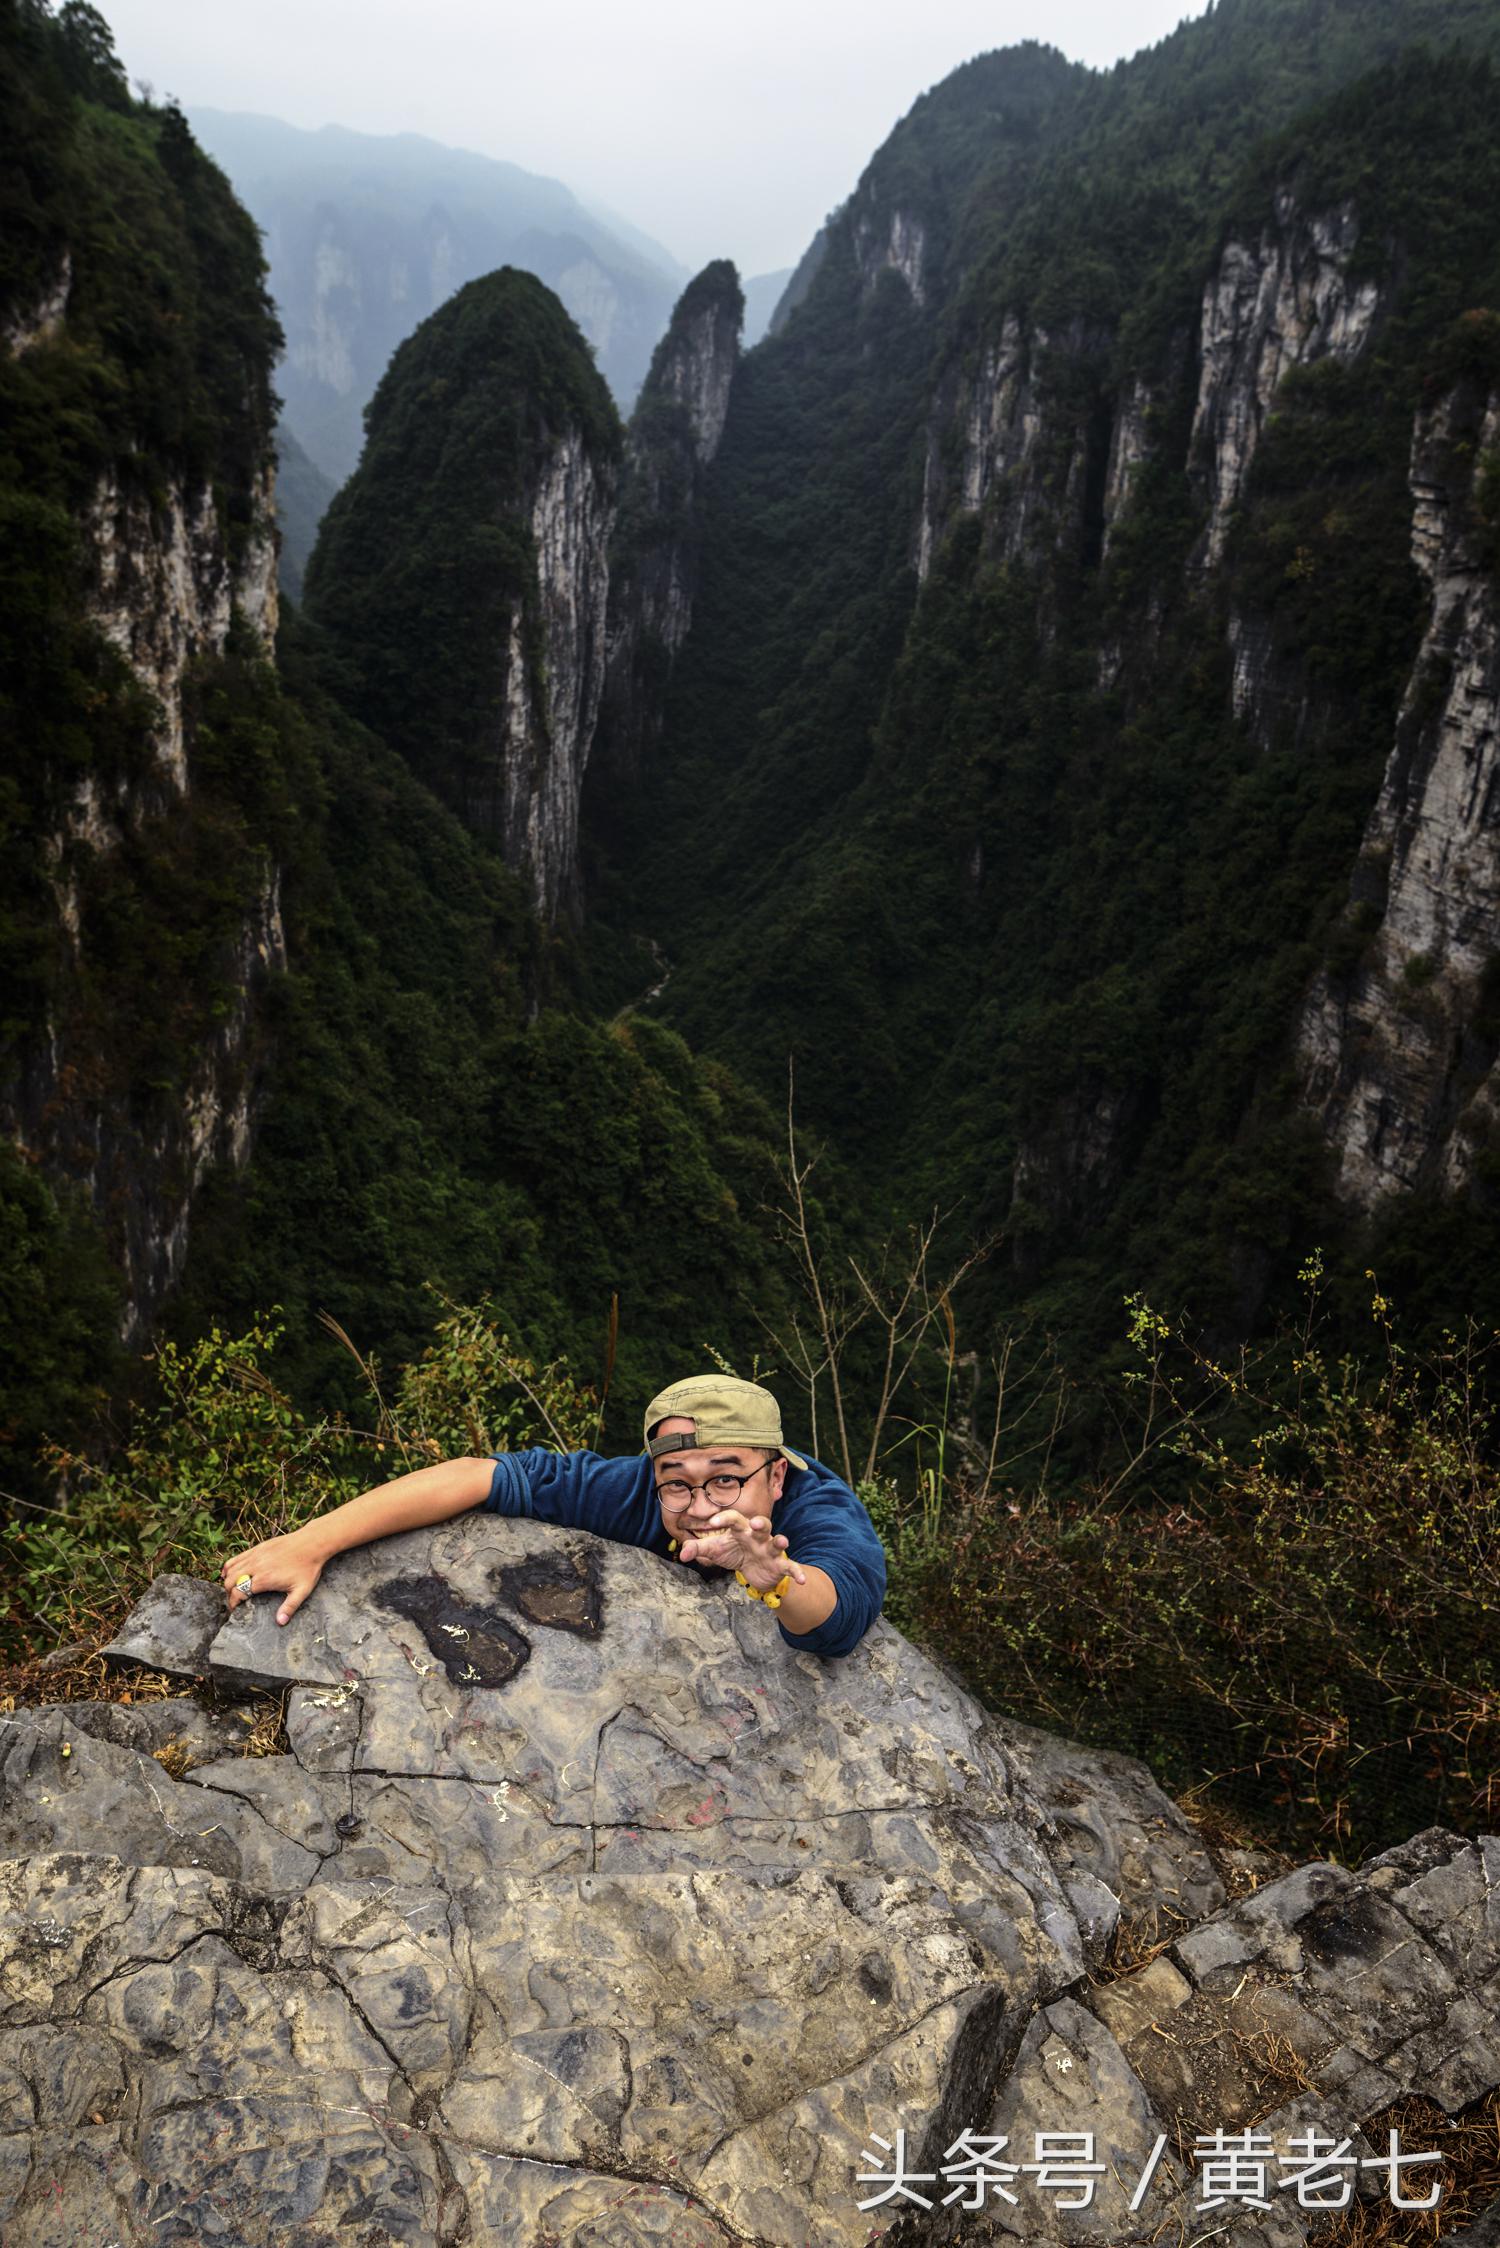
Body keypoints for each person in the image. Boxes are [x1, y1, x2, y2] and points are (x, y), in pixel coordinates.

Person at [220, 1374, 886, 1658]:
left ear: (775, 1474)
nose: (702, 1506)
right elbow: (481, 1476)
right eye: (677, 1485)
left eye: (727, 1481)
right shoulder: (631, 1491)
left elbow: (836, 1619)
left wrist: (771, 1575)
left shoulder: (825, 1515)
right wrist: (313, 1542)